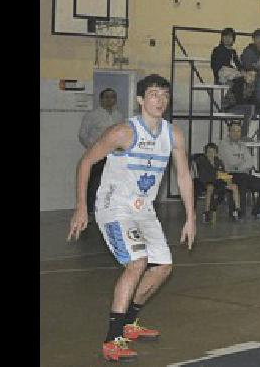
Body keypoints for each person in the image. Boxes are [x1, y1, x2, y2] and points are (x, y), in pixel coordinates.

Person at [67, 74, 196, 362]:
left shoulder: (173, 134)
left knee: (163, 266)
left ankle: (130, 322)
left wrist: (191, 216)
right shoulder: (123, 132)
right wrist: (80, 206)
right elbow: (86, 161)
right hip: (114, 207)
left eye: (164, 94)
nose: (160, 100)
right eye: (153, 94)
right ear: (140, 99)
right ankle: (112, 340)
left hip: (143, 209)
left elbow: (184, 175)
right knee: (137, 262)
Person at [78, 87, 124, 221]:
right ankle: (89, 211)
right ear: (101, 99)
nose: (110, 99)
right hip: (98, 156)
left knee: (113, 183)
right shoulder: (92, 115)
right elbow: (82, 135)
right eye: (107, 97)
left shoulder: (119, 115)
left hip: (115, 156)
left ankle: (110, 209)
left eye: (113, 97)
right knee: (94, 183)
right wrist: (93, 150)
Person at [218, 121, 260, 218]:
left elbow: (250, 162)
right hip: (229, 175)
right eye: (234, 131)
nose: (236, 133)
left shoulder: (242, 145)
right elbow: (231, 163)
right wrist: (242, 163)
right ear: (229, 132)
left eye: (238, 131)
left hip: (244, 174)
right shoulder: (224, 145)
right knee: (242, 182)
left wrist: (240, 164)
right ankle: (238, 212)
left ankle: (257, 211)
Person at [194, 142, 242, 223]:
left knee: (234, 186)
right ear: (205, 153)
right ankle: (206, 212)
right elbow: (204, 175)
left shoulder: (219, 162)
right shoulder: (201, 161)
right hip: (205, 182)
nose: (211, 154)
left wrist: (228, 180)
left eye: (213, 152)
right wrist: (218, 175)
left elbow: (223, 173)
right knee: (210, 187)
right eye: (209, 152)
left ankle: (237, 210)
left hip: (218, 182)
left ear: (216, 153)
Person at [222, 66, 260, 137]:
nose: (252, 78)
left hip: (243, 107)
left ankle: (259, 135)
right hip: (230, 107)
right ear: (245, 74)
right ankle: (243, 135)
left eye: (254, 76)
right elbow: (239, 100)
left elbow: (255, 101)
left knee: (257, 108)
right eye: (250, 75)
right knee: (250, 108)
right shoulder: (238, 82)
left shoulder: (254, 85)